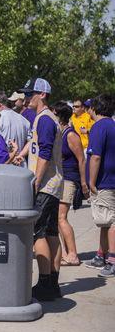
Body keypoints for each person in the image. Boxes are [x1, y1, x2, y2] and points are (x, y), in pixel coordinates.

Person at [15, 78, 64, 300]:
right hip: (53, 185)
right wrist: (22, 155)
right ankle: (53, 283)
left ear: (42, 94)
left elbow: (44, 153)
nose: (26, 98)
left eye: (30, 94)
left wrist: (35, 181)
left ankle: (45, 283)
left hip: (45, 185)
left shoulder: (44, 119)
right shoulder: (45, 118)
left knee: (38, 233)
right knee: (52, 233)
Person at [54, 102, 87, 266]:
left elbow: (81, 159)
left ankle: (73, 254)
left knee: (61, 217)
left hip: (70, 178)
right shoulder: (59, 133)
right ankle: (66, 253)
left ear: (59, 116)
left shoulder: (70, 135)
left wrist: (83, 182)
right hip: (61, 178)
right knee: (58, 218)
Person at [85, 94, 115, 277]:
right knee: (105, 221)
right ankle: (101, 255)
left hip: (105, 181)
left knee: (111, 221)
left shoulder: (98, 127)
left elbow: (95, 157)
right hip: (111, 180)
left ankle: (112, 260)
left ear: (95, 108)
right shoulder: (112, 125)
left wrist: (91, 181)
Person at [0, 91, 30, 157]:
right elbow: (30, 142)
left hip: (3, 163)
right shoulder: (24, 120)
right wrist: (20, 155)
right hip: (20, 163)